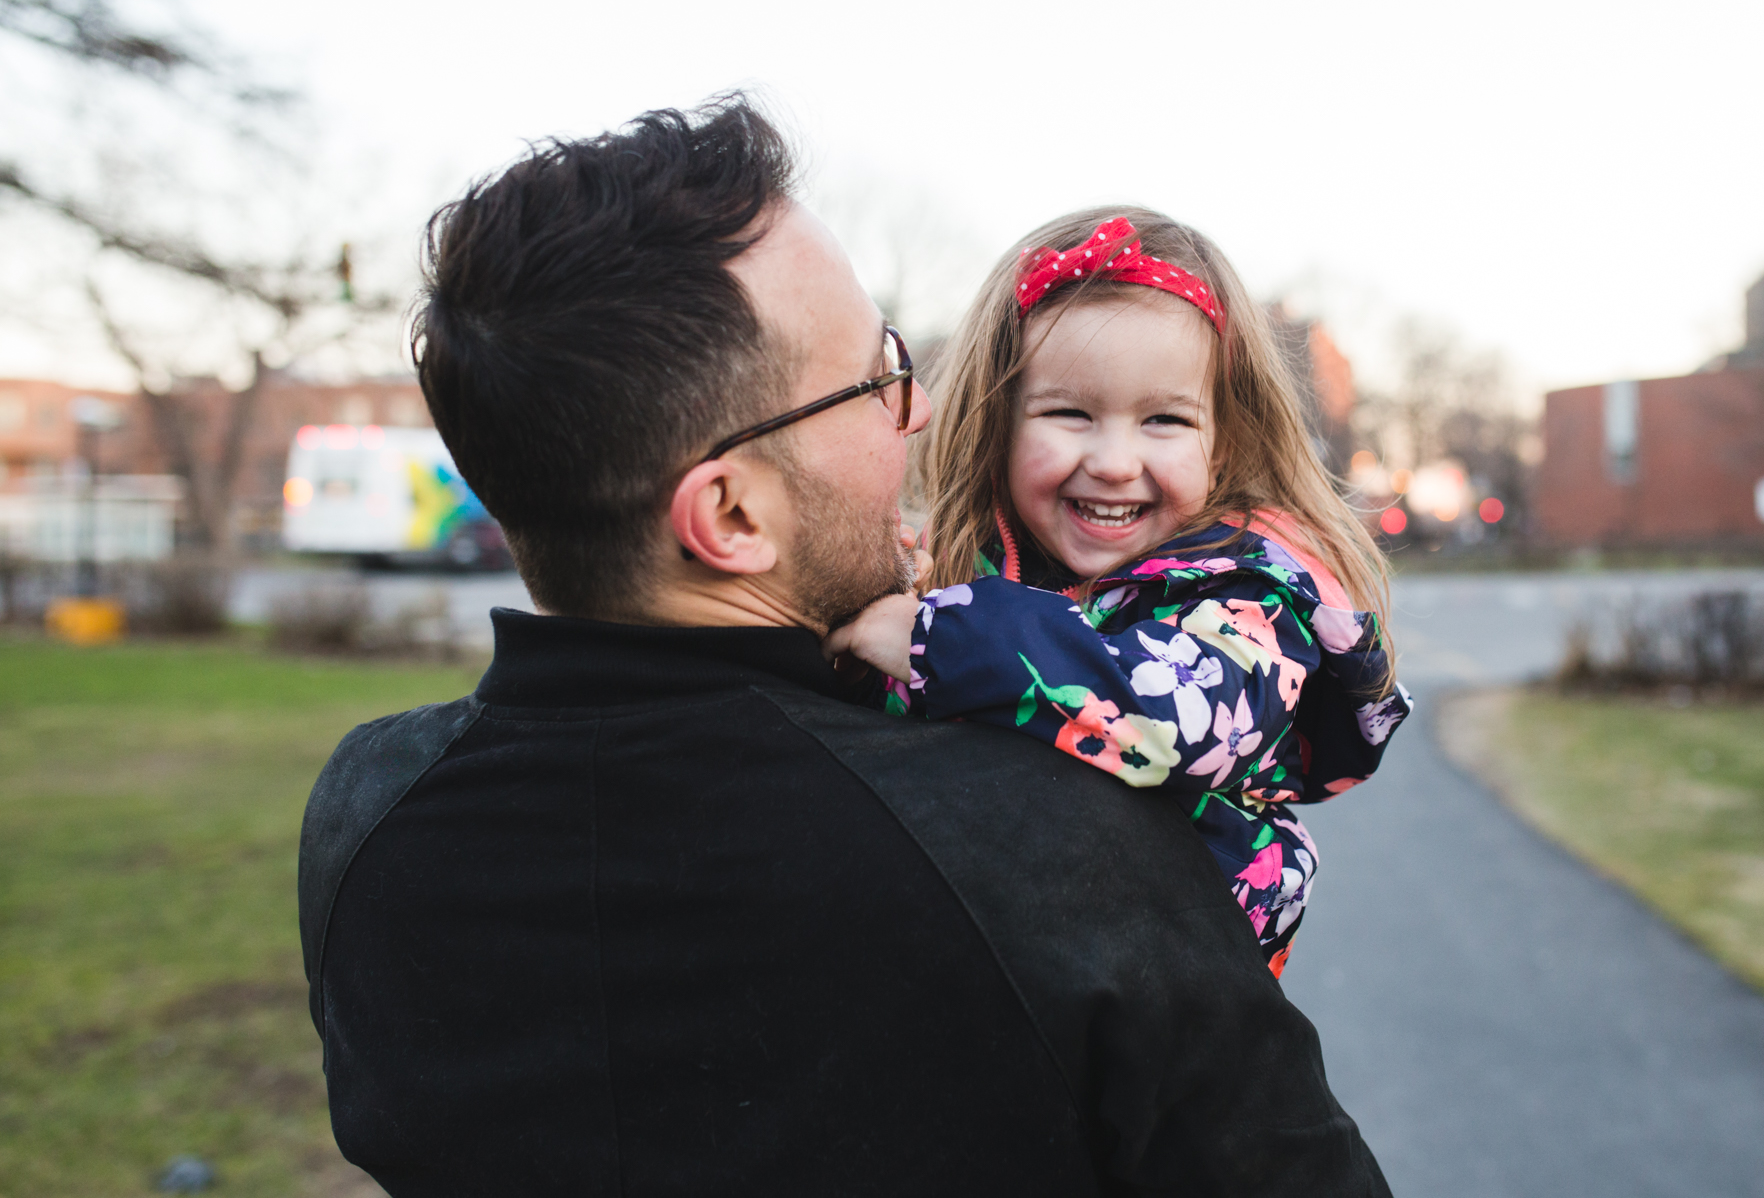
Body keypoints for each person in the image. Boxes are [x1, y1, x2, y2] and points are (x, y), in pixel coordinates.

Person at [296, 97, 1395, 1196]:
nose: (921, 417)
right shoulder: (1059, 846)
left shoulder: (370, 823)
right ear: (729, 517)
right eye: (877, 379)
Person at [826, 210, 1412, 979]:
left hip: (1172, 1002)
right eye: (1070, 412)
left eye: (1163, 419)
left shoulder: (1255, 601)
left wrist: (936, 639)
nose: (1112, 460)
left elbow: (1170, 719)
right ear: (1001, 420)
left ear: (1220, 441)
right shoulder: (970, 579)